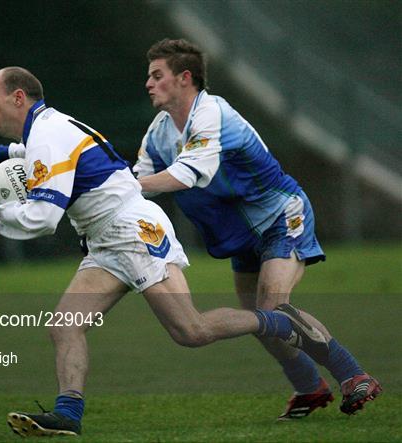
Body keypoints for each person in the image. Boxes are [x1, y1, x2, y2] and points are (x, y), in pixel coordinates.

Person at [0, 66, 330, 437]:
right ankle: (68, 414)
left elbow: (44, 218)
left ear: (18, 98)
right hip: (105, 239)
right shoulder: (47, 128)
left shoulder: (47, 136)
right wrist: (2, 151)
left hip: (132, 232)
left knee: (191, 331)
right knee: (64, 325)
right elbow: (49, 152)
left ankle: (271, 320)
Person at [133, 38, 382, 420]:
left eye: (156, 75)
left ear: (185, 78)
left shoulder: (213, 113)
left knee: (272, 308)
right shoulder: (159, 133)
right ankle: (309, 389)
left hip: (282, 216)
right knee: (260, 320)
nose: (148, 83)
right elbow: (140, 184)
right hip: (242, 237)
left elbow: (185, 175)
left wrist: (120, 186)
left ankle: (354, 376)